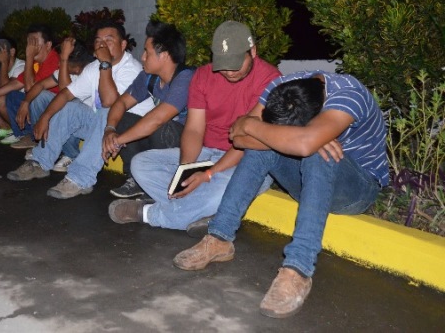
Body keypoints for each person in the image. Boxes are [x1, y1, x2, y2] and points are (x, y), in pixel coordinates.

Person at [172, 72, 388, 318]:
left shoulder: (349, 95)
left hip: (356, 187)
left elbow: (299, 144)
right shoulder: (282, 87)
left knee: (317, 152)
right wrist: (288, 138)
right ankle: (219, 238)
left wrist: (253, 125)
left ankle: (298, 269)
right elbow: (238, 138)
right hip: (308, 179)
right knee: (263, 149)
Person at [111, 21, 280, 230]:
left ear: (252, 51)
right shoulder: (203, 75)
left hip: (247, 159)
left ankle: (150, 213)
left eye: (236, 64)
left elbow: (248, 143)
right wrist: (186, 170)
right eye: (223, 64)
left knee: (224, 189)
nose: (229, 71)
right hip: (207, 154)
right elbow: (194, 129)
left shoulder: (271, 80)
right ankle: (198, 212)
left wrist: (209, 174)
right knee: (140, 164)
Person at [7, 20, 154, 199]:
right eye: (98, 40)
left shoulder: (131, 69)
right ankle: (39, 162)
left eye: (109, 40)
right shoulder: (94, 67)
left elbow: (110, 103)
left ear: (123, 45)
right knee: (70, 107)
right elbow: (66, 94)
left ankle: (80, 178)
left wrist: (105, 64)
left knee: (106, 112)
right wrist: (45, 117)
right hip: (103, 126)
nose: (102, 44)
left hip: (130, 130)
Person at [102, 21, 193, 199]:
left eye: (147, 52)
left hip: (186, 147)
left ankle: (162, 181)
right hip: (159, 139)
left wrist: (118, 141)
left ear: (164, 55)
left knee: (162, 126)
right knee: (124, 118)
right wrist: (110, 129)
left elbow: (158, 118)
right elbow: (120, 103)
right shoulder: (148, 76)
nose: (142, 57)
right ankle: (137, 180)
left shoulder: (186, 78)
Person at [15, 37, 95, 172]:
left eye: (62, 60)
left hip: (89, 123)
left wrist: (64, 60)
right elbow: (40, 85)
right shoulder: (67, 71)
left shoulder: (91, 72)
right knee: (39, 97)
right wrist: (25, 102)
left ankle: (72, 155)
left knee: (66, 105)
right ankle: (44, 144)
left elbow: (66, 92)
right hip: (70, 119)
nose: (58, 64)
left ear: (76, 66)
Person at [0, 24, 60, 146]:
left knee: (34, 96)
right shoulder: (36, 63)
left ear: (48, 45)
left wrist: (29, 56)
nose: (30, 47)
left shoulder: (53, 59)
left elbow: (30, 88)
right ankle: (26, 134)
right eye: (29, 43)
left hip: (56, 109)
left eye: (34, 43)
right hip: (41, 106)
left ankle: (34, 137)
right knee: (11, 95)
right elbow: (17, 83)